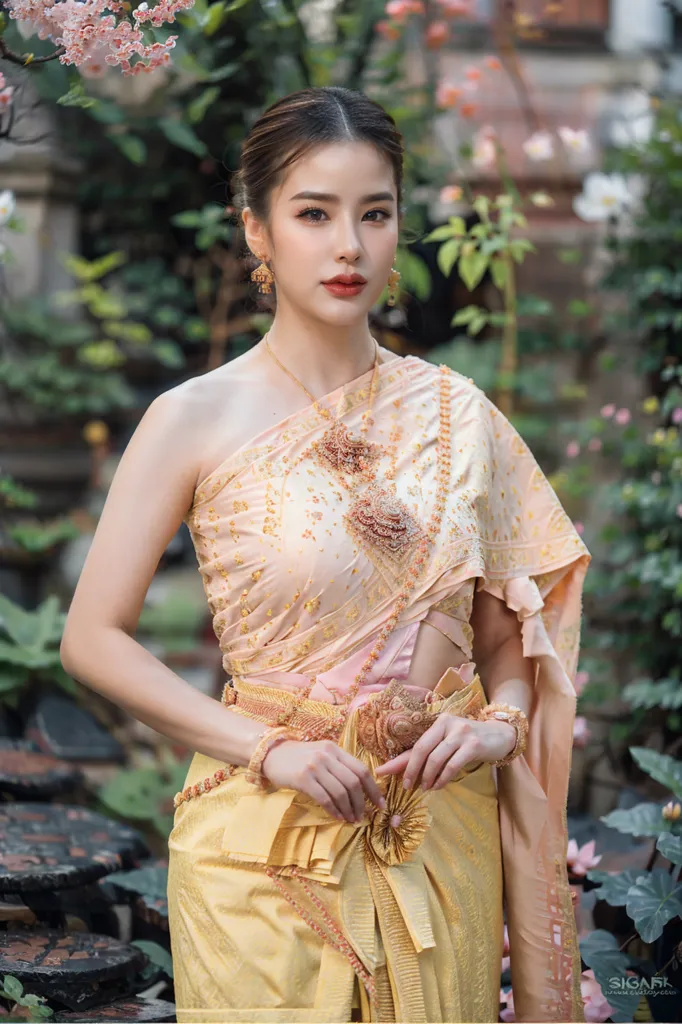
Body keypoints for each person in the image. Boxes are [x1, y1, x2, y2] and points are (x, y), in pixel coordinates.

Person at [60, 86, 590, 1024]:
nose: (349, 245)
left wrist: (498, 728)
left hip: (437, 841)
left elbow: (509, 646)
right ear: (258, 232)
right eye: (314, 214)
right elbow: (94, 640)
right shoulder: (189, 420)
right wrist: (271, 751)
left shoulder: (458, 417)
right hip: (259, 852)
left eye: (374, 214)